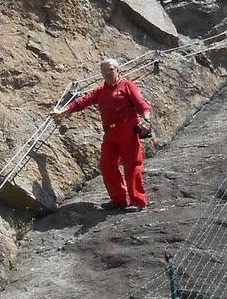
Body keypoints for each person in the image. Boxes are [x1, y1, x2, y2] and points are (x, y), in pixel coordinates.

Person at [49, 57, 152, 211]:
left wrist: (146, 121)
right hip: (110, 131)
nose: (108, 72)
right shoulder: (100, 91)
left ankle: (138, 201)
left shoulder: (127, 85)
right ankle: (118, 200)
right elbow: (82, 102)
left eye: (111, 69)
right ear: (101, 73)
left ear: (117, 70)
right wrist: (63, 111)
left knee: (132, 164)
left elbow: (142, 105)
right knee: (107, 164)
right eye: (105, 70)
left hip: (128, 128)